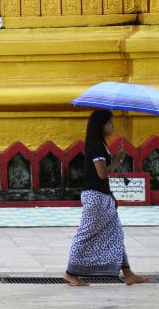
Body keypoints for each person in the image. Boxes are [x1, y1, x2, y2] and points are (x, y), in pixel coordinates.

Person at [64, 109, 151, 286]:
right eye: (110, 123)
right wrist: (117, 160)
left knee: (116, 233)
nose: (113, 126)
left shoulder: (101, 145)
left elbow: (102, 178)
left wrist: (111, 196)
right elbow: (102, 173)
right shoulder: (96, 146)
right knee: (86, 233)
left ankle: (127, 273)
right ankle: (70, 273)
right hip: (95, 197)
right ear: (101, 125)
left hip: (103, 196)